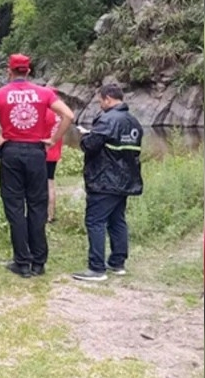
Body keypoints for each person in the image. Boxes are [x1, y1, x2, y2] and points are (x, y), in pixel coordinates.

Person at [0, 54, 74, 278]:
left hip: (12, 152)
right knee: (38, 206)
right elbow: (68, 115)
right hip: (37, 152)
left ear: (9, 72)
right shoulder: (44, 93)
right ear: (28, 71)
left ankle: (22, 262)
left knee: (15, 207)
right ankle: (39, 261)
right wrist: (54, 139)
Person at [72, 84, 143, 282]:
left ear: (108, 99)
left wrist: (86, 135)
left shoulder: (107, 120)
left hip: (104, 180)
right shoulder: (134, 122)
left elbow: (90, 146)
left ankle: (96, 268)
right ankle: (117, 262)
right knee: (117, 220)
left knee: (95, 221)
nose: (100, 105)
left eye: (100, 101)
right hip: (126, 180)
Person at [44, 87, 64, 224]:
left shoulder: (45, 112)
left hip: (43, 152)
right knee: (50, 182)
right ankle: (51, 214)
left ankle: (44, 215)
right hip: (55, 152)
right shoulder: (60, 113)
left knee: (41, 185)